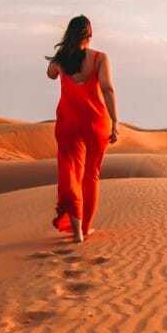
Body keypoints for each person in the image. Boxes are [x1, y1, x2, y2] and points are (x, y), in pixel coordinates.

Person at [46, 15, 119, 243]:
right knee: (91, 176)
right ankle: (85, 228)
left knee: (71, 172)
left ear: (69, 34)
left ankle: (77, 230)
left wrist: (60, 57)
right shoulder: (99, 58)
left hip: (69, 123)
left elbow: (50, 74)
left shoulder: (62, 59)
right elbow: (108, 89)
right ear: (90, 35)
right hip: (96, 122)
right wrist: (115, 121)